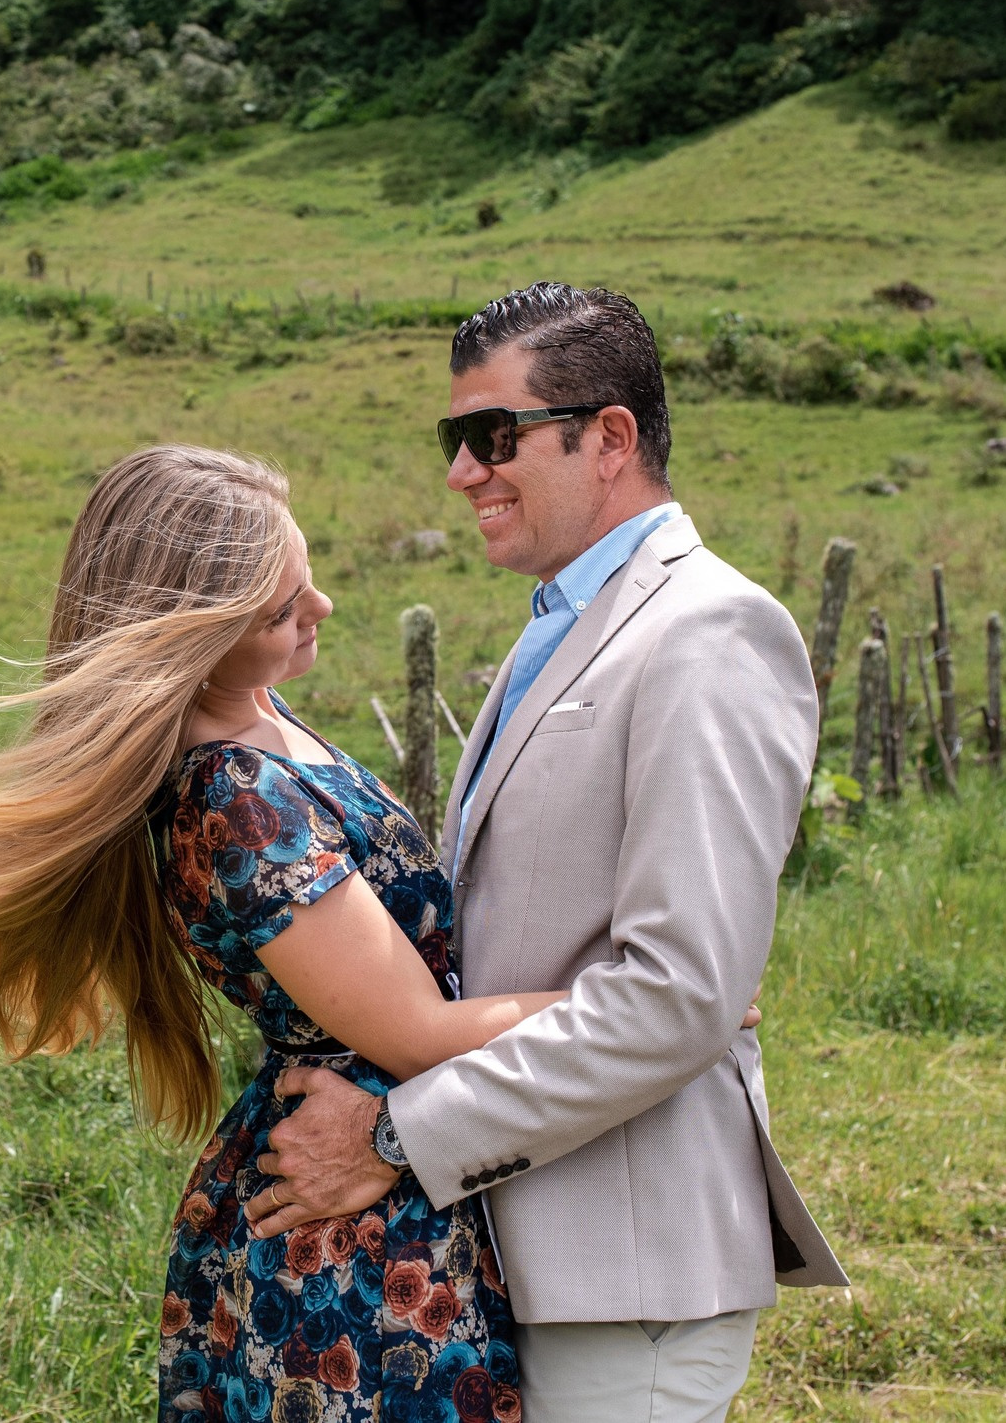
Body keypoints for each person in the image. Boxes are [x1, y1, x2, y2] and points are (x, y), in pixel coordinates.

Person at [0, 445, 757, 1419]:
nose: (321, 607)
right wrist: (667, 1002)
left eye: (304, 575)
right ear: (194, 641)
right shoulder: (236, 795)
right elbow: (416, 1032)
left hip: (396, 1164)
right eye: (277, 607)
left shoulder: (263, 716)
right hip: (352, 1225)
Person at [247, 283, 848, 1423]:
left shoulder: (706, 631)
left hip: (624, 1274)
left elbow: (677, 998)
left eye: (492, 435)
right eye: (453, 440)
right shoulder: (566, 618)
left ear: (609, 437)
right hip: (527, 1247)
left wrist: (392, 1134)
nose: (461, 472)